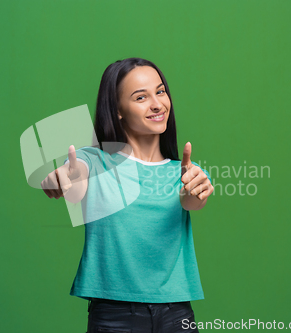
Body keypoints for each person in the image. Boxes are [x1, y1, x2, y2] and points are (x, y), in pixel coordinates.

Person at [40, 58, 214, 333]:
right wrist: (63, 178)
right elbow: (77, 180)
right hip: (114, 315)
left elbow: (192, 200)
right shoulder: (94, 161)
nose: (157, 104)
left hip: (176, 314)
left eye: (160, 91)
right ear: (117, 110)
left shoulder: (185, 172)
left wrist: (198, 189)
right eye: (140, 97)